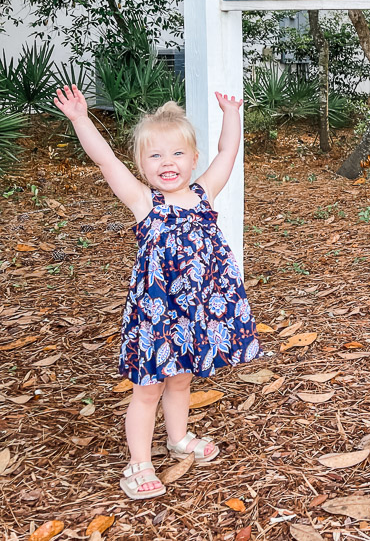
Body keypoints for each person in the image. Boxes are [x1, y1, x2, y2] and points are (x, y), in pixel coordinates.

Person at [53, 86, 260, 501]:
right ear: (141, 165)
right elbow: (104, 158)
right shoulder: (144, 202)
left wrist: (232, 114)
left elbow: (227, 154)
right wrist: (80, 119)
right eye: (155, 156)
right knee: (148, 388)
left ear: (193, 158)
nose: (168, 163)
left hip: (198, 310)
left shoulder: (205, 194)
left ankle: (179, 438)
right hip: (158, 313)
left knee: (182, 381)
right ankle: (139, 463)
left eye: (177, 154)